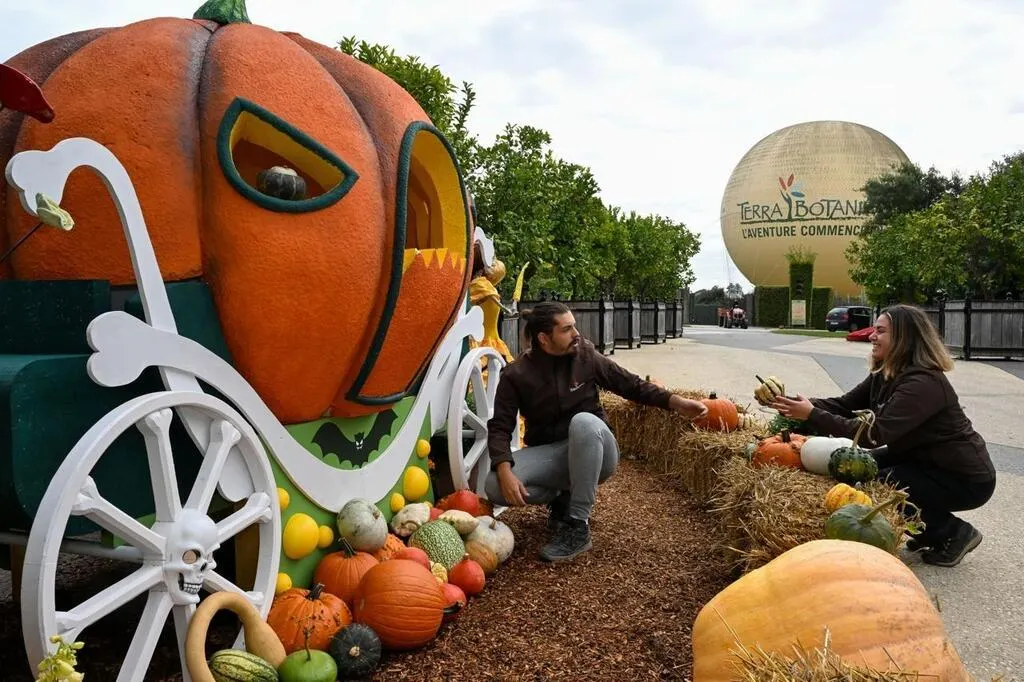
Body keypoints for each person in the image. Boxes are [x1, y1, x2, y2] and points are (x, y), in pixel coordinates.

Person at [770, 304, 996, 567]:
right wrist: (792, 404)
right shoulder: (886, 373)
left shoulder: (923, 384)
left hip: (963, 477)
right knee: (861, 469)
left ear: (903, 337)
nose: (871, 336)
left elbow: (873, 435)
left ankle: (954, 532)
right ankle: (926, 530)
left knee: (884, 483)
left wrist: (811, 414)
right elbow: (845, 405)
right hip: (922, 459)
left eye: (880, 331)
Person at [485, 301, 709, 562]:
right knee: (493, 485)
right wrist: (504, 470)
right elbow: (499, 427)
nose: (576, 334)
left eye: (574, 326)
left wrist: (678, 403)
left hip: (599, 451)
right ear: (544, 338)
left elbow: (631, 385)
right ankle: (562, 497)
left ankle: (578, 525)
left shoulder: (586, 356)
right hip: (555, 455)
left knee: (584, 422)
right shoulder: (516, 375)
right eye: (567, 329)